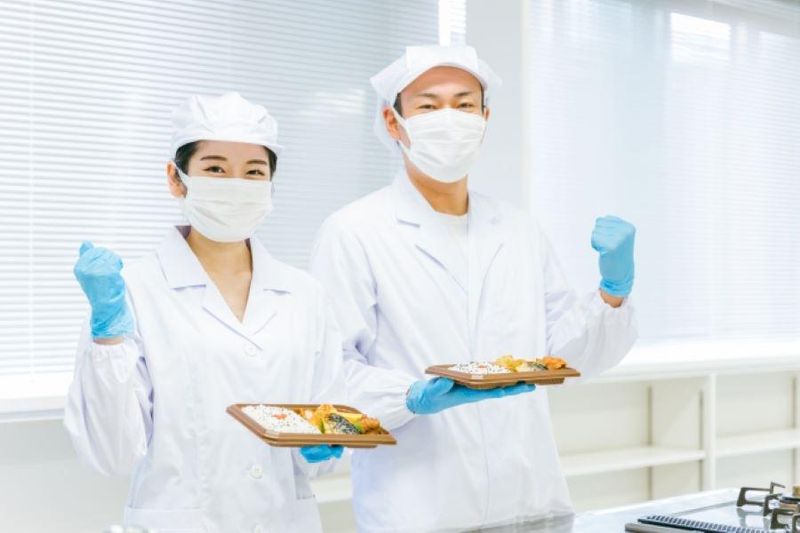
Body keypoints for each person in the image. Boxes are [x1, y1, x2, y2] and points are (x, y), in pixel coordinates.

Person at [310, 45, 638, 532]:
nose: (449, 119)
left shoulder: (519, 230)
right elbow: (329, 372)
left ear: (485, 119)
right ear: (393, 121)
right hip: (418, 512)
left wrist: (612, 291)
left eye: (464, 105)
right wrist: (410, 396)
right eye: (428, 106)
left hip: (529, 501)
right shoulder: (354, 232)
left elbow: (565, 358)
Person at [64, 92, 343, 533]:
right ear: (176, 180)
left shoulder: (305, 295)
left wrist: (324, 445)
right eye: (215, 169)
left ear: (271, 185)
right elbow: (112, 454)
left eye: (254, 171)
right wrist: (107, 338)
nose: (236, 184)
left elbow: (325, 444)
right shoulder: (130, 292)